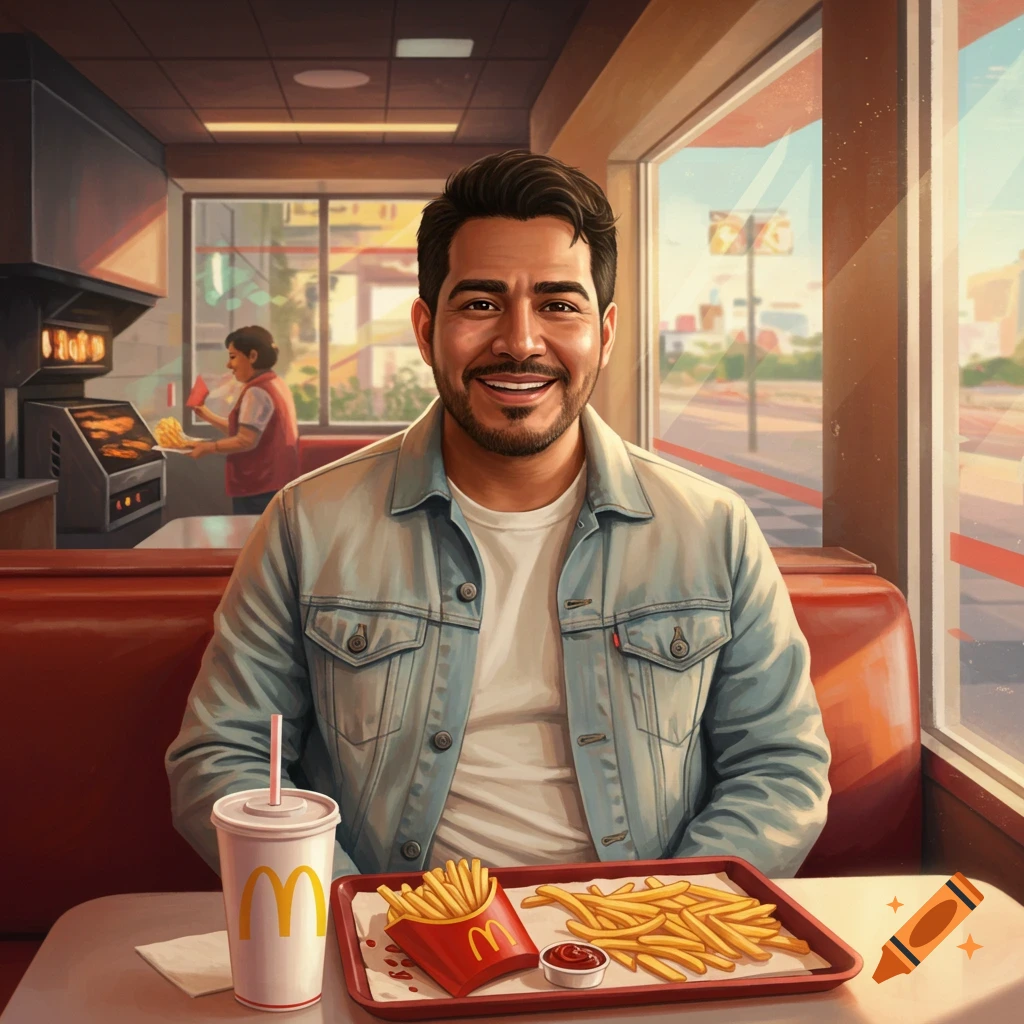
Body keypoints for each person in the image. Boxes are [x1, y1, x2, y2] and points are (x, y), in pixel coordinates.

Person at [167, 151, 831, 882]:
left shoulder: (713, 528)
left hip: (642, 947)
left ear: (605, 334)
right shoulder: (307, 523)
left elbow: (782, 765)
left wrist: (661, 916)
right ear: (426, 330)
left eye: (559, 305)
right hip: (385, 932)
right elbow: (220, 756)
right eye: (481, 304)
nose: (519, 341)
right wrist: (353, 913)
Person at [188, 326, 299, 515]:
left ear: (253, 356)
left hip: (258, 487)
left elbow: (246, 440)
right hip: (277, 483)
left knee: (252, 539)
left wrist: (208, 447)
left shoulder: (257, 391)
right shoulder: (274, 383)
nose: (229, 365)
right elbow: (247, 432)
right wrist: (207, 415)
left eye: (233, 357)